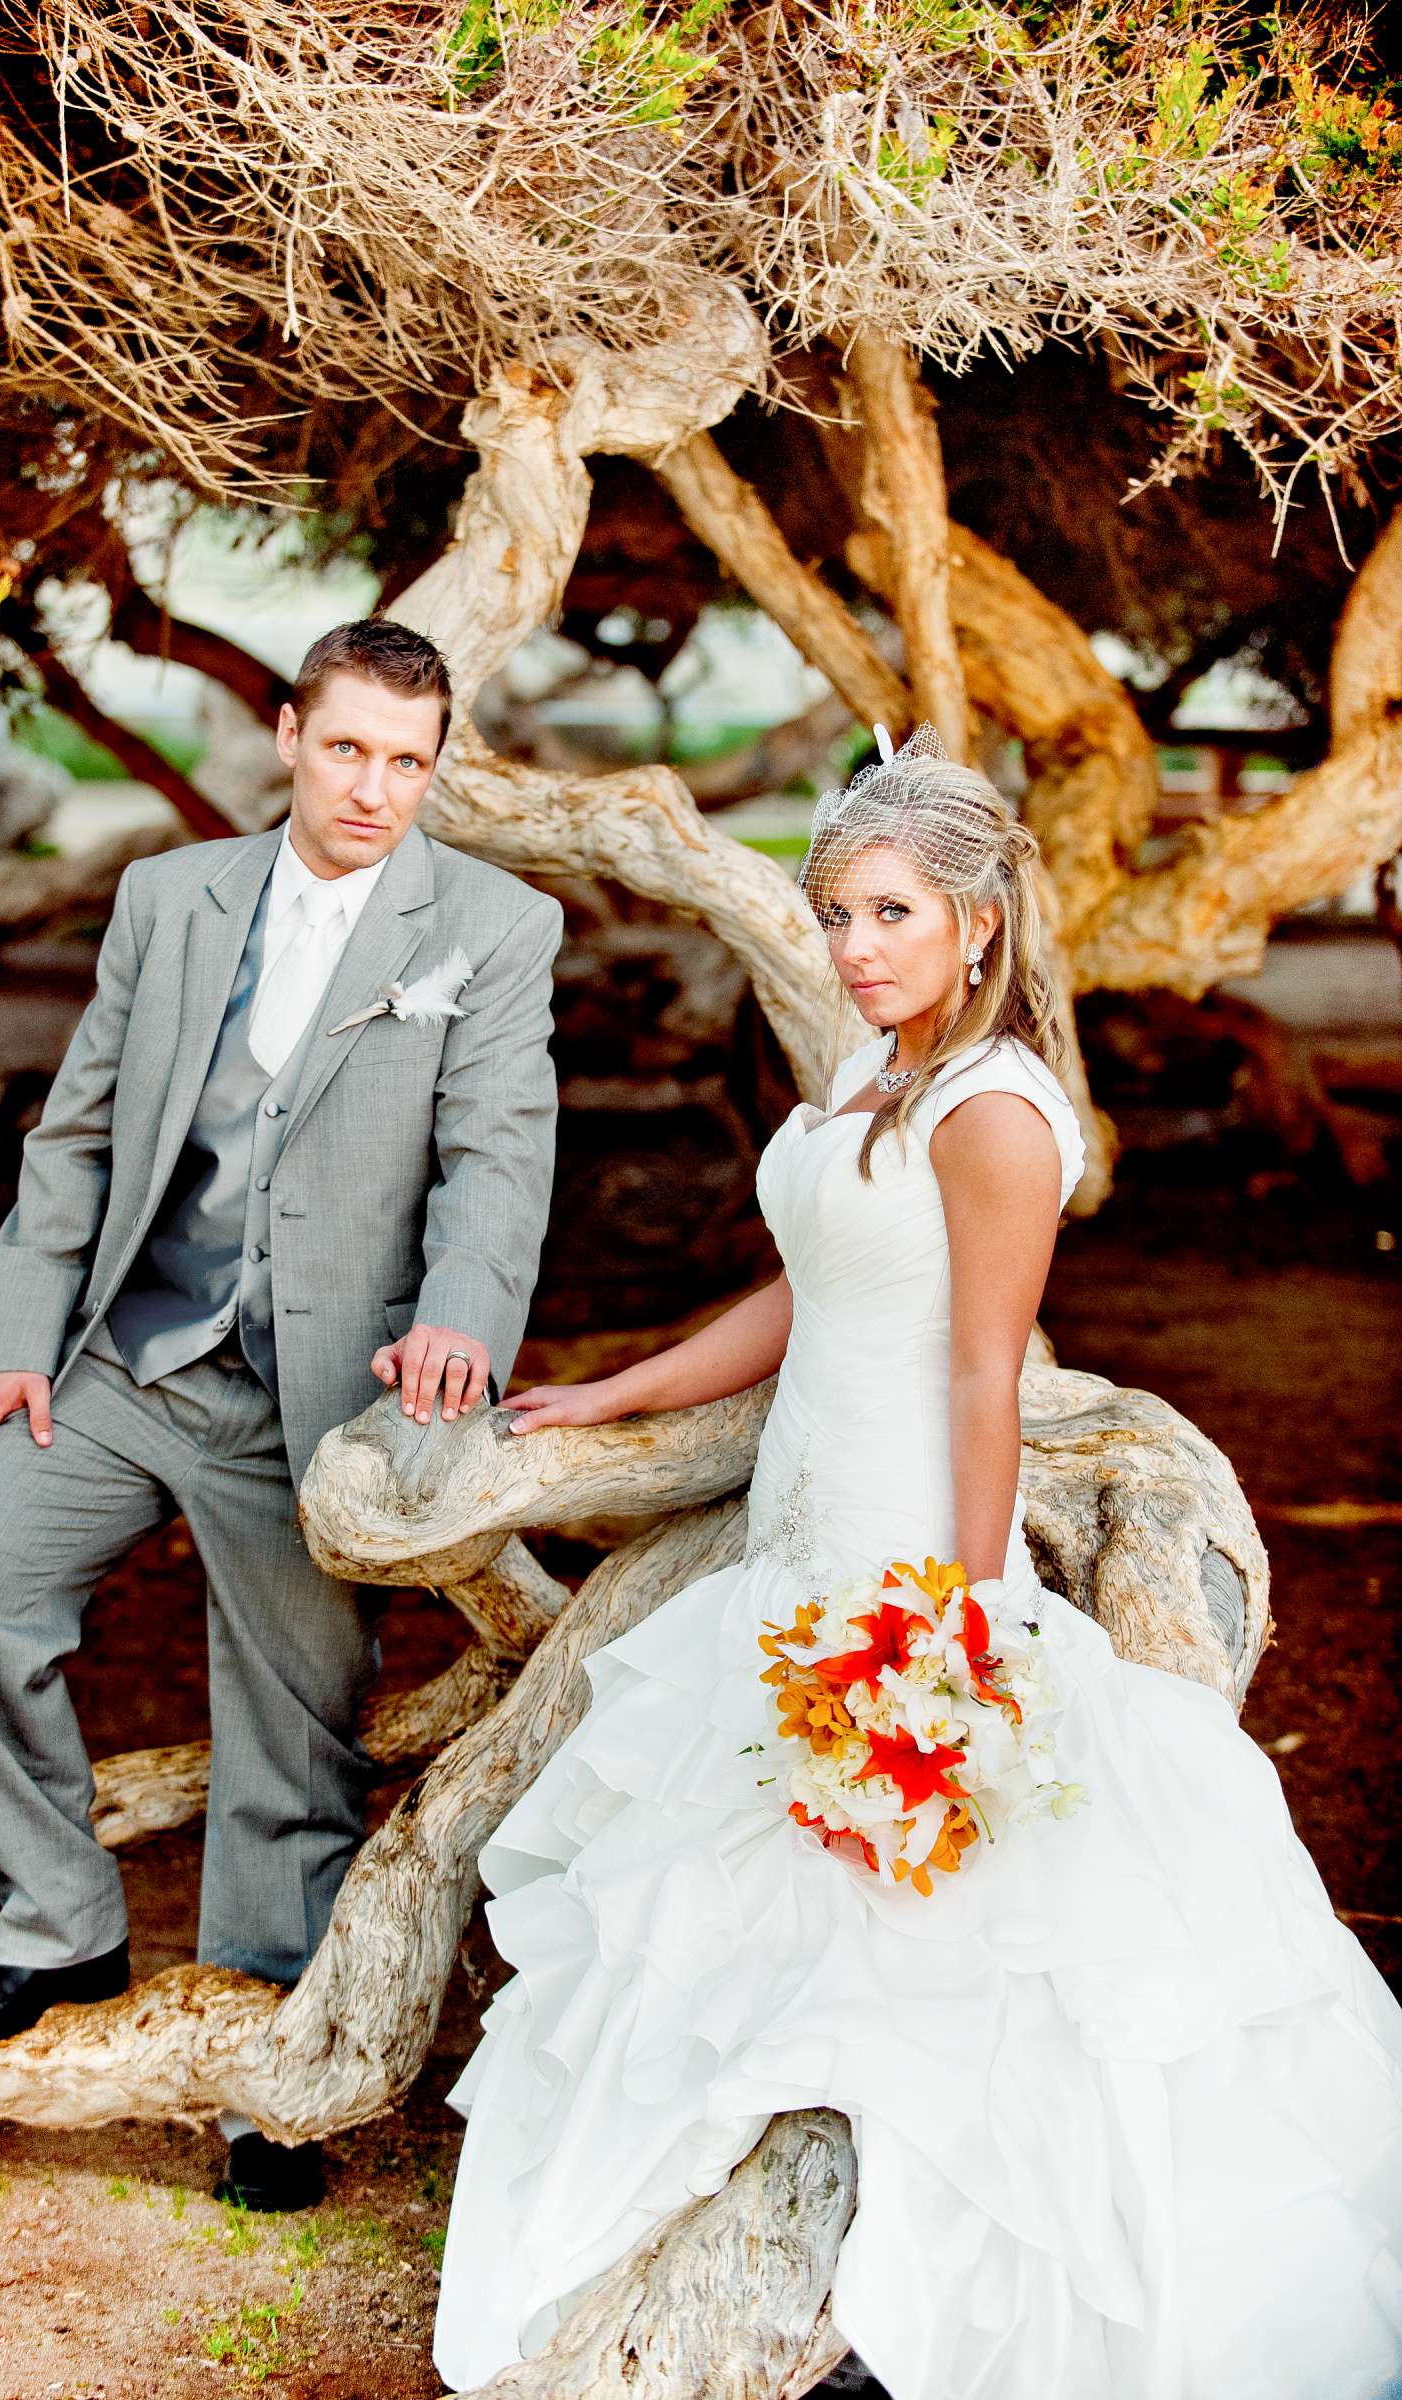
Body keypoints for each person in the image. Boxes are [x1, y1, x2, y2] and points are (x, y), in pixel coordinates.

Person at [433, 728, 1402, 2398]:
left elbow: (979, 1373)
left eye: (889, 913)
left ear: (977, 920)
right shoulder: (868, 1076)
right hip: (793, 1551)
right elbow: (803, 1287)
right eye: (835, 913)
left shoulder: (999, 1113)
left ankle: (922, 2303)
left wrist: (964, 1625)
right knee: (772, 1908)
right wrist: (616, 1384)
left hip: (904, 1560)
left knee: (931, 1937)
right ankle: (810, 2261)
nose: (854, 946)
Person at [0, 617, 563, 2213]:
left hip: (321, 1399)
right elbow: (73, 1141)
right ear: (286, 734)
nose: (377, 789)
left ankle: (272, 2066)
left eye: (411, 761)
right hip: (134, 1358)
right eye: (350, 749)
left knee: (296, 1731)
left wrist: (462, 1321)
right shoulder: (167, 899)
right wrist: (17, 1347)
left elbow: (499, 1152)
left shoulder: (493, 923)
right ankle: (58, 1921)